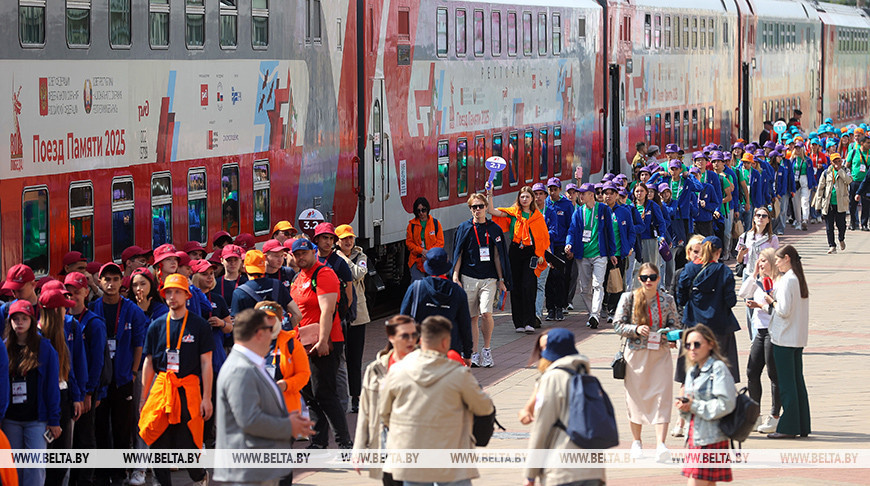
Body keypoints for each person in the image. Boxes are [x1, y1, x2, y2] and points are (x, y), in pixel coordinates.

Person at [379, 315, 494, 485]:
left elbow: (384, 413)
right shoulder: (459, 374)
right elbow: (484, 408)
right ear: (445, 342)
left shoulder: (397, 370)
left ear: (421, 339)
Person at [214, 308, 314, 486]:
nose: (273, 336)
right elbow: (248, 419)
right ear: (259, 334)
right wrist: (288, 424)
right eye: (269, 330)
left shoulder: (249, 364)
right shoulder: (240, 370)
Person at [139, 274, 213, 486]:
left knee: (188, 444)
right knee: (155, 438)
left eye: (177, 292)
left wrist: (206, 398)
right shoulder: (156, 326)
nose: (172, 297)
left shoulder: (199, 326)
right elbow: (149, 363)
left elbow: (207, 363)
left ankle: (199, 476)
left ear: (187, 295)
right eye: (168, 292)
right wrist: (144, 398)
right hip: (162, 390)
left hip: (188, 390)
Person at [289, 238, 353, 449]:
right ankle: (318, 441)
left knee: (325, 393)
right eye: (297, 254)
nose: (300, 257)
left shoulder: (323, 273)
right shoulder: (298, 278)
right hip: (303, 343)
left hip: (325, 341)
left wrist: (324, 340)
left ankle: (344, 442)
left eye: (304, 253)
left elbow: (328, 310)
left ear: (313, 252)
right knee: (310, 394)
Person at [613, 264, 680, 462]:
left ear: (659, 278)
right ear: (639, 279)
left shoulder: (667, 300)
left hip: (660, 353)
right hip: (636, 354)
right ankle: (637, 442)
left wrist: (670, 336)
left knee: (663, 396)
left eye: (652, 277)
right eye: (644, 278)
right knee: (635, 398)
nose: (648, 281)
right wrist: (635, 329)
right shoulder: (629, 298)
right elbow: (617, 324)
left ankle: (661, 444)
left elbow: (675, 324)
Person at [89, 262, 148, 486]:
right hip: (100, 380)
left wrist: (133, 372)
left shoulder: (131, 309)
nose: (111, 284)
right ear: (99, 281)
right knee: (101, 426)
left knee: (123, 427)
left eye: (115, 279)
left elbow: (138, 344)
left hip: (124, 378)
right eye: (107, 279)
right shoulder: (93, 308)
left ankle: (120, 471)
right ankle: (103, 472)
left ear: (121, 281)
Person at [523, 328, 605, 486]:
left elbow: (541, 428)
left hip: (562, 469)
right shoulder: (587, 377)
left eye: (545, 348)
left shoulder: (553, 378)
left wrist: (530, 474)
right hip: (593, 470)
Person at [353, 315, 419, 486]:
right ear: (391, 337)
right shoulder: (375, 369)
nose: (411, 340)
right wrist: (359, 449)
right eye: (405, 336)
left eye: (414, 334)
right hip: (386, 441)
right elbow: (365, 411)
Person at [3, 300, 60, 486]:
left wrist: (54, 420)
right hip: (10, 419)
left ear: (32, 320)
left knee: (35, 469)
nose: (19, 322)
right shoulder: (4, 347)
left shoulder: (45, 348)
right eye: (15, 319)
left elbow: (52, 387)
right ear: (9, 322)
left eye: (24, 318)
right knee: (13, 470)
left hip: (36, 420)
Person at [757, 245, 811, 439]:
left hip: (785, 338)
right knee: (797, 382)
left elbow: (784, 310)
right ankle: (802, 423)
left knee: (787, 384)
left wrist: (770, 301)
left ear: (786, 258)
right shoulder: (797, 278)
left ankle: (788, 427)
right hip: (796, 337)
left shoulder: (788, 280)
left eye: (778, 260)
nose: (776, 263)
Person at [451, 194, 509, 368]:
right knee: (472, 317)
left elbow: (498, 255)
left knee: (486, 313)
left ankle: (487, 349)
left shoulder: (494, 229)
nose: (478, 210)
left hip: (489, 278)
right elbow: (458, 253)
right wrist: (455, 275)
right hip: (468, 277)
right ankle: (473, 352)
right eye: (474, 207)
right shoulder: (464, 228)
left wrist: (501, 279)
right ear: (470, 209)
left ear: (486, 207)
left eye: (481, 206)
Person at [675, 324, 737, 485]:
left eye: (697, 344)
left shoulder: (718, 369)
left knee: (695, 483)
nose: (692, 349)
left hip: (711, 437)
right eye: (688, 345)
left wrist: (694, 406)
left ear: (710, 344)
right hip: (696, 436)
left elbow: (726, 404)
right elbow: (690, 407)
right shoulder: (692, 371)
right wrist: (683, 408)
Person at [38, 288, 88, 485]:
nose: (67, 313)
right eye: (63, 309)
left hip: (64, 398)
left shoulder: (64, 332)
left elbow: (69, 370)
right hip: (44, 404)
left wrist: (77, 396)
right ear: (55, 310)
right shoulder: (37, 337)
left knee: (60, 461)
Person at [676, 237, 740, 384]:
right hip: (721, 326)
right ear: (718, 252)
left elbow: (681, 299)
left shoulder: (689, 269)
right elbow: (731, 301)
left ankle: (687, 403)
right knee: (722, 371)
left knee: (689, 373)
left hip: (693, 323)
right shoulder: (724, 271)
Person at [487, 185, 550, 333]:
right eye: (522, 196)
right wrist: (490, 194)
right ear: (519, 198)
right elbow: (491, 211)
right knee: (515, 287)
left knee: (528, 285)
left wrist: (543, 254)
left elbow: (543, 237)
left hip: (531, 253)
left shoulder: (537, 216)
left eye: (527, 196)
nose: (525, 199)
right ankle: (519, 323)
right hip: (515, 251)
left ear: (532, 199)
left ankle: (530, 321)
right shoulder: (513, 213)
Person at [65, 271, 107, 486]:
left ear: (86, 291)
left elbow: (97, 361)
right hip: (71, 390)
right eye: (68, 291)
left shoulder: (94, 323)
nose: (72, 295)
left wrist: (90, 392)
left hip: (87, 390)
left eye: (77, 291)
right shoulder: (63, 321)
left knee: (85, 437)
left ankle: (85, 479)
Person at [401, 248, 473, 365]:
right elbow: (465, 325)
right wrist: (467, 353)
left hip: (421, 351)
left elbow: (403, 320)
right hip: (450, 351)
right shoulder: (458, 292)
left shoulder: (417, 288)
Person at [565, 183, 617, 329]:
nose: (580, 196)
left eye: (583, 193)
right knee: (584, 289)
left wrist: (612, 252)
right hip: (582, 255)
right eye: (579, 193)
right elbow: (572, 230)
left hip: (600, 254)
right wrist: (569, 244)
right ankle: (591, 314)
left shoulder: (603, 209)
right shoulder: (578, 212)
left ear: (591, 195)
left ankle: (595, 314)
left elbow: (609, 232)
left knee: (597, 285)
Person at [743, 248, 781, 435]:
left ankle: (775, 416)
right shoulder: (759, 281)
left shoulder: (778, 282)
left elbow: (779, 310)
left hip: (773, 332)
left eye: (764, 261)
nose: (761, 263)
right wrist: (754, 273)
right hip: (759, 332)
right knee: (752, 371)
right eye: (759, 261)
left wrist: (760, 305)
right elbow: (743, 293)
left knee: (773, 374)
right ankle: (755, 412)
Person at [335, 224, 370, 413]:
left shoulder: (360, 256)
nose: (348, 242)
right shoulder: (332, 258)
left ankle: (355, 397)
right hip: (339, 312)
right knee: (337, 358)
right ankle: (338, 395)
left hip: (358, 313)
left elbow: (358, 273)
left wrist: (342, 259)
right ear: (337, 241)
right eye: (344, 239)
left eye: (350, 238)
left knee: (355, 359)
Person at [231, 250, 296, 318]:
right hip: (279, 327)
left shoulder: (239, 293)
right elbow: (297, 314)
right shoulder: (278, 284)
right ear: (264, 266)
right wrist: (285, 328)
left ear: (245, 268)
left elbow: (237, 324)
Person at [544, 178, 573, 321]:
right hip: (547, 245)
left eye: (555, 189)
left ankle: (560, 307)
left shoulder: (567, 205)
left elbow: (570, 227)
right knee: (549, 278)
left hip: (561, 244)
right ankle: (550, 308)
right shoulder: (545, 204)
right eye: (550, 189)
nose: (552, 192)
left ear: (560, 190)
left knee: (560, 276)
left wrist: (569, 244)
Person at [813, 153, 852, 253]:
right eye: (835, 161)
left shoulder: (846, 171)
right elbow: (820, 189)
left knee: (841, 225)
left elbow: (848, 181)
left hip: (841, 203)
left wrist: (840, 171)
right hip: (829, 203)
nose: (837, 163)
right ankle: (832, 245)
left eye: (839, 161)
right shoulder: (826, 172)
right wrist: (818, 204)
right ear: (831, 162)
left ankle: (841, 239)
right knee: (829, 226)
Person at [405, 197, 445, 282]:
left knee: (434, 285)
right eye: (418, 211)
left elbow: (440, 242)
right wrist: (422, 251)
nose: (421, 213)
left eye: (423, 210)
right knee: (418, 286)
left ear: (427, 209)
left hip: (432, 260)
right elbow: (409, 243)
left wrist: (428, 254)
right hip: (416, 260)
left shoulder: (435, 223)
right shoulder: (411, 225)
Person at [791, 142, 816, 231]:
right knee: (796, 202)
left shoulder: (807, 160)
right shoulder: (792, 160)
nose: (797, 150)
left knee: (805, 200)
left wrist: (813, 184)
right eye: (796, 148)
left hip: (805, 180)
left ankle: (805, 219)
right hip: (795, 181)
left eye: (799, 148)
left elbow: (811, 172)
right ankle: (798, 221)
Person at [846, 136, 870, 230]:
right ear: (861, 143)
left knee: (866, 203)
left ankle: (864, 224)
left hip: (867, 183)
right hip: (855, 181)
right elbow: (847, 165)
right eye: (867, 143)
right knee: (853, 203)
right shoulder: (853, 152)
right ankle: (853, 223)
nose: (869, 145)